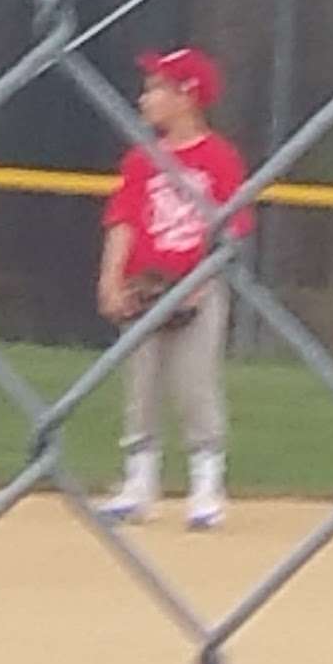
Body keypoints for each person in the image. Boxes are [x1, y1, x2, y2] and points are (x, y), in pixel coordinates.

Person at [98, 48, 252, 529]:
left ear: (186, 96)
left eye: (155, 88)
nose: (144, 98)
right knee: (140, 386)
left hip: (197, 291)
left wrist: (201, 285)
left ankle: (206, 486)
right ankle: (139, 483)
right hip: (144, 287)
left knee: (194, 385)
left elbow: (234, 228)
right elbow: (122, 221)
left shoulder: (220, 158)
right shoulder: (142, 159)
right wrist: (111, 278)